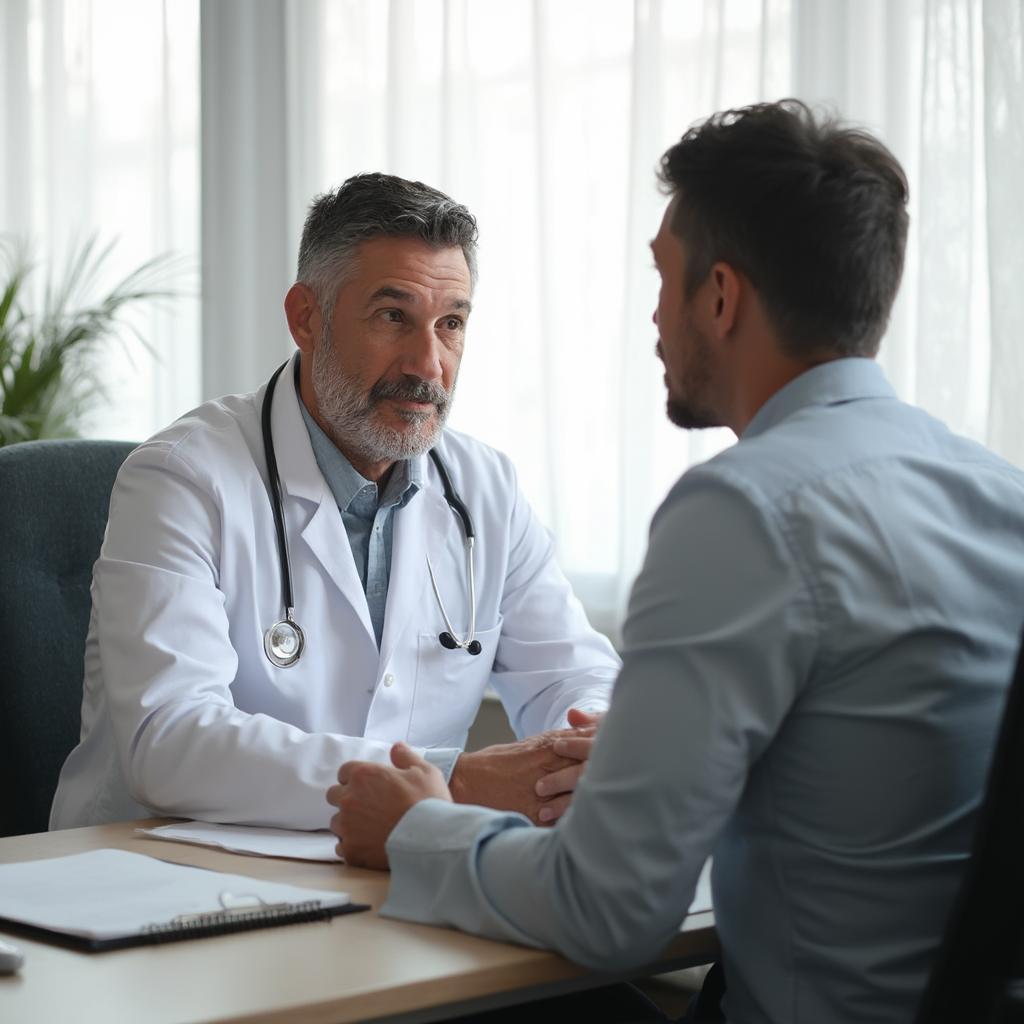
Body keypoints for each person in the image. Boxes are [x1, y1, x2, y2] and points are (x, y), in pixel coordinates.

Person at [327, 102, 1024, 1024]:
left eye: (663, 276)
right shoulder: (999, 494)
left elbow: (605, 910)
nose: (654, 316)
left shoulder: (743, 511)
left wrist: (416, 828)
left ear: (722, 298)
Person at [50, 173, 618, 832]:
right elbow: (171, 744)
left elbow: (573, 674)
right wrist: (453, 783)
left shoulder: (485, 490)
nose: (428, 363)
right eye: (392, 316)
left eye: (451, 323)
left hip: (385, 874)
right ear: (305, 318)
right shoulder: (181, 478)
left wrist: (591, 743)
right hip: (168, 884)